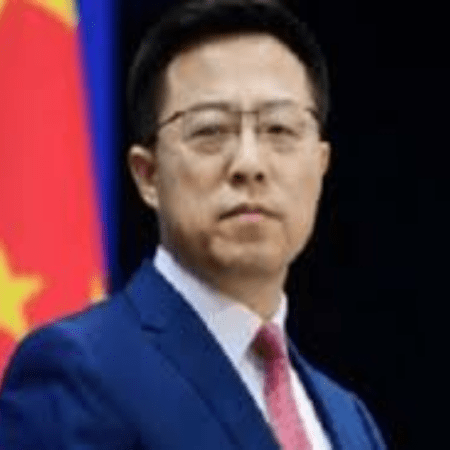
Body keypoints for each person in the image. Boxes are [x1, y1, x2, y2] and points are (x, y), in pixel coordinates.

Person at [0, 0, 388, 448]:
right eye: (210, 131)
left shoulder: (351, 420)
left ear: (320, 166)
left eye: (279, 129)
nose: (249, 163)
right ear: (148, 175)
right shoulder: (77, 371)